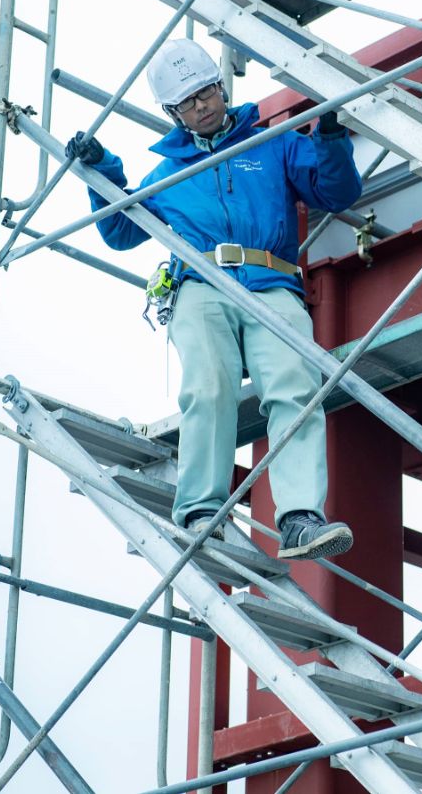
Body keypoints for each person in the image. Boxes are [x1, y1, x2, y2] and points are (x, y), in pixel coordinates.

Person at [67, 38, 362, 561]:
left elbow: (335, 193)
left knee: (296, 387)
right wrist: (101, 172)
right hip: (202, 283)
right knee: (208, 389)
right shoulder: (165, 177)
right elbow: (119, 231)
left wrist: (332, 136)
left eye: (206, 93)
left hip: (272, 283)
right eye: (187, 102)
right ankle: (203, 511)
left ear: (221, 89)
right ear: (173, 113)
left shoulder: (273, 145)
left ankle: (298, 518)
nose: (201, 106)